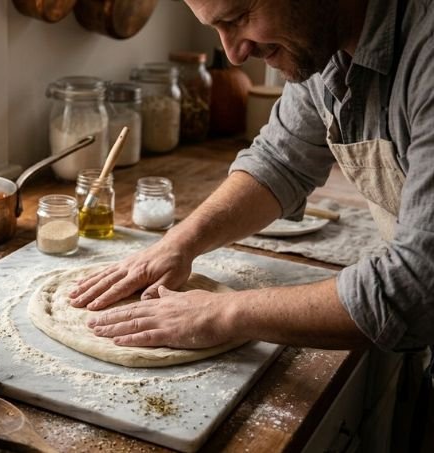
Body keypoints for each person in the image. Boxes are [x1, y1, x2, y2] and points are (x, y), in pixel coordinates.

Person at [70, 0, 433, 449]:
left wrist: (222, 313)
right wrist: (179, 242)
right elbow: (281, 161)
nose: (234, 53)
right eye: (216, 28)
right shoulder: (324, 47)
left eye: (239, 17)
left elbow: (415, 287)